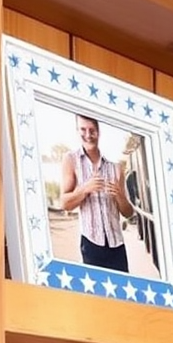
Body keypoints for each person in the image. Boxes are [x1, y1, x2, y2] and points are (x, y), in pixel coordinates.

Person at [59, 113, 134, 273]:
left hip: (117, 245)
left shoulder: (115, 167)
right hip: (91, 243)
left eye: (92, 130)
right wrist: (85, 188)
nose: (88, 135)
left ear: (98, 131)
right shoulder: (70, 159)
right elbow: (64, 203)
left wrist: (120, 197)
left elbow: (128, 213)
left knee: (122, 297)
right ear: (77, 130)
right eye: (83, 130)